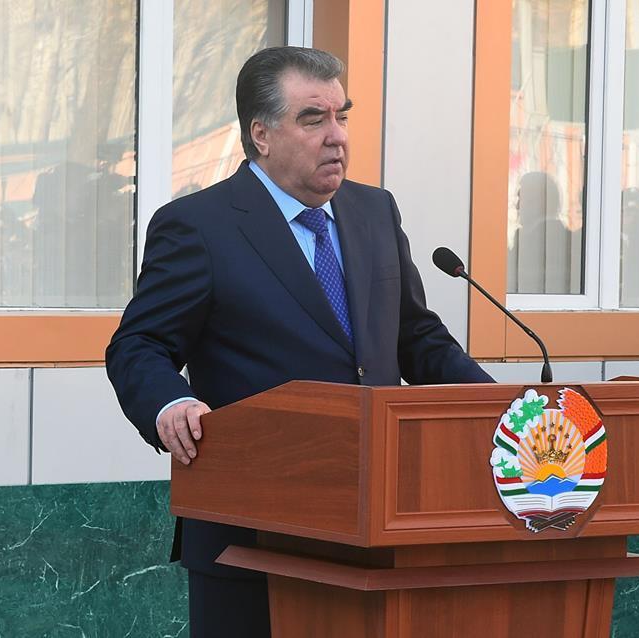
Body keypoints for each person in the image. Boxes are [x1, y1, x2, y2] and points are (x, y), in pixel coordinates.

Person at [105, 46, 493, 637]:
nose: (336, 136)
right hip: (251, 540)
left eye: (342, 115)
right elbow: (138, 345)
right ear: (261, 134)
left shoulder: (374, 210)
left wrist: (503, 408)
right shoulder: (199, 226)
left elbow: (417, 339)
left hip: (380, 529)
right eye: (313, 119)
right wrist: (170, 403)